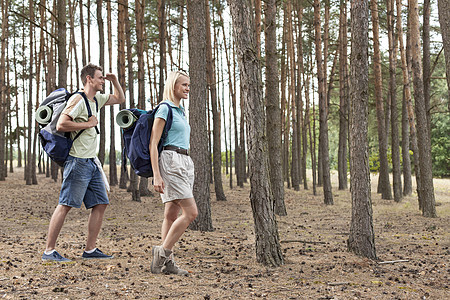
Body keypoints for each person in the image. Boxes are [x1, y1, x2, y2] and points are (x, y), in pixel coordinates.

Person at [42, 63, 125, 262]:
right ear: (89, 79)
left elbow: (120, 99)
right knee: (65, 204)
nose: (102, 81)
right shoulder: (78, 99)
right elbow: (62, 124)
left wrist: (114, 81)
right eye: (100, 78)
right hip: (77, 160)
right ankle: (49, 251)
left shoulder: (96, 98)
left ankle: (90, 250)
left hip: (91, 162)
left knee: (101, 202)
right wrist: (88, 123)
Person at [150, 70, 198, 276]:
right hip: (171, 161)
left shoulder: (180, 111)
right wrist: (157, 174)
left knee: (171, 214)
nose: (188, 88)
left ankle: (167, 263)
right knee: (191, 213)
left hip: (185, 161)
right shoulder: (164, 109)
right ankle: (162, 253)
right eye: (184, 85)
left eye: (188, 85)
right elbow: (153, 143)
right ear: (174, 86)